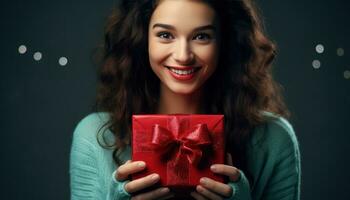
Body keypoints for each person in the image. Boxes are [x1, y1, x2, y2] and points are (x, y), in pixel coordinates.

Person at [70, 0, 301, 199]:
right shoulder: (95, 135)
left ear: (225, 42)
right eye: (165, 35)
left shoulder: (273, 139)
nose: (183, 56)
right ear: (142, 40)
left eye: (202, 36)